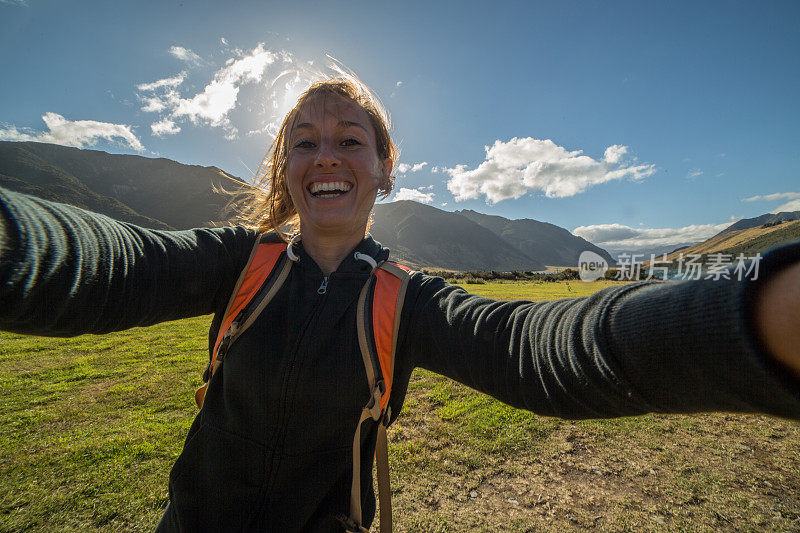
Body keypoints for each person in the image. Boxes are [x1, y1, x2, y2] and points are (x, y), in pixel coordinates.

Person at [0, 73, 799, 533]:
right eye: (304, 141)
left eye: (351, 138)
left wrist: (755, 322)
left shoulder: (403, 297)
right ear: (286, 170)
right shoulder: (233, 262)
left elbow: (534, 346)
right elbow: (109, 264)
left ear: (385, 168)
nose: (326, 155)